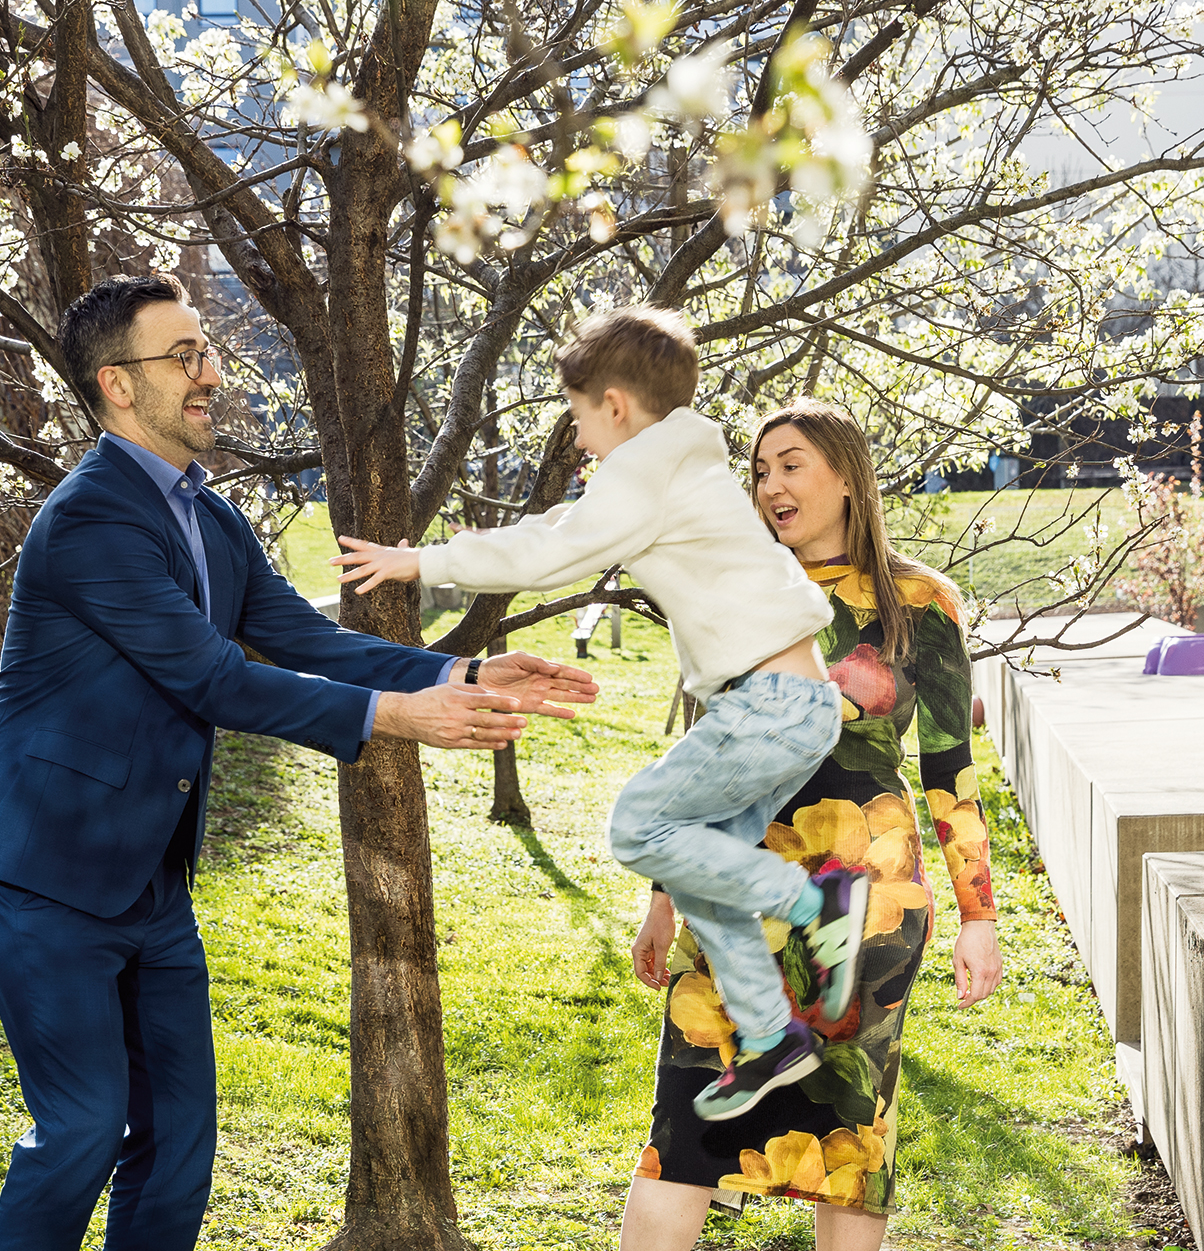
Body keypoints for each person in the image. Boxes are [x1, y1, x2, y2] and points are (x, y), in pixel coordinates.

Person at [0, 272, 597, 1251]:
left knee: (178, 1140)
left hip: (146, 873)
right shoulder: (91, 520)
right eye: (182, 353)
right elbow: (209, 675)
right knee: (81, 1130)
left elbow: (297, 636)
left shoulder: (203, 509)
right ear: (116, 386)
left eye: (208, 349)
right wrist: (401, 715)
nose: (210, 372)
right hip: (41, 868)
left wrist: (458, 661)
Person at [507, 398, 1004, 1251]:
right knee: (684, 1115)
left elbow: (952, 768)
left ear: (848, 477)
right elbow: (700, 766)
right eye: (761, 470)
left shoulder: (919, 602)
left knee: (847, 1125)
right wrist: (660, 898)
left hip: (863, 898)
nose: (772, 487)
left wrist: (978, 915)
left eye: (793, 465)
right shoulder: (736, 591)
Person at [337, 306, 871, 1121]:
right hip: (791, 704)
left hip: (769, 705)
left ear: (616, 405)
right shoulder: (678, 468)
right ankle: (772, 1037)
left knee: (638, 827)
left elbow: (556, 552)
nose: (581, 440)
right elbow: (565, 527)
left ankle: (815, 903)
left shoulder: (643, 470)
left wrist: (422, 561)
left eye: (581, 419)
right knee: (703, 873)